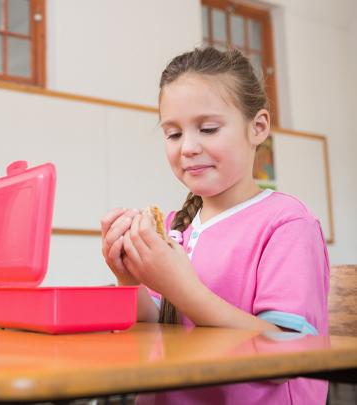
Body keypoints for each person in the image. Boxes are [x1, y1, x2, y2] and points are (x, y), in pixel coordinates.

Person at [100, 47, 329, 404]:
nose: (187, 147)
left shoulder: (287, 222)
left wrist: (180, 287)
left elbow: (289, 350)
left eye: (207, 129)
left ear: (258, 128)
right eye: (173, 134)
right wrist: (127, 275)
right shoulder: (179, 224)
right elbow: (157, 325)